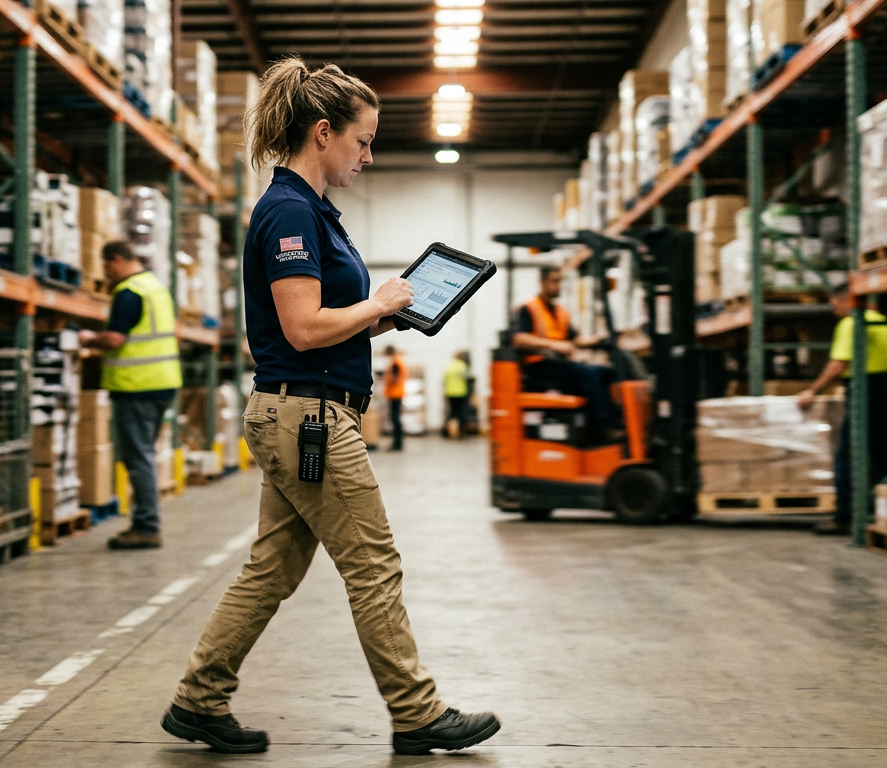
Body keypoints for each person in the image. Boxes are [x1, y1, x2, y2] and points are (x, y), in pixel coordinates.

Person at [162, 57, 500, 757]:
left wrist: (382, 317)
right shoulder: (289, 210)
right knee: (373, 563)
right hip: (307, 418)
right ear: (323, 133)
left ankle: (198, 699)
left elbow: (322, 326)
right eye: (362, 141)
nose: (367, 156)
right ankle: (417, 712)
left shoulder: (312, 211)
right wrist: (376, 303)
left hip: (304, 410)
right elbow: (302, 329)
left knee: (272, 569)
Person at [78, 240, 181, 550]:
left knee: (138, 457)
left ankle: (147, 526)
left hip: (137, 385)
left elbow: (115, 339)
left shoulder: (128, 292)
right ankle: (146, 522)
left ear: (117, 260)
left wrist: (88, 339)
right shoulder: (155, 287)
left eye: (106, 265)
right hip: (162, 382)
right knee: (143, 454)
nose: (106, 273)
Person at [795, 284, 887, 536]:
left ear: (847, 300)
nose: (834, 310)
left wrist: (813, 390)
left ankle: (844, 516)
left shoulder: (851, 323)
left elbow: (838, 364)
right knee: (882, 455)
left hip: (867, 392)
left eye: (835, 304)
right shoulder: (884, 322)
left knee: (846, 456)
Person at [512, 265, 622, 440]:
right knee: (591, 374)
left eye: (560, 281)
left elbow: (576, 339)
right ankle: (605, 427)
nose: (559, 286)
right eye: (555, 281)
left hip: (559, 363)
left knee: (607, 372)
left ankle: (595, 426)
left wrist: (599, 339)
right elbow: (519, 338)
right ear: (543, 282)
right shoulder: (529, 308)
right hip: (538, 365)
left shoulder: (561, 311)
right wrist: (555, 345)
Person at [383, 345, 408, 451]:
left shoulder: (395, 363)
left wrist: (386, 379)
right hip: (396, 393)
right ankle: (397, 442)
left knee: (395, 419)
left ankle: (397, 443)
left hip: (395, 394)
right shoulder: (397, 361)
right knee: (395, 418)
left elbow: (395, 378)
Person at [443, 350, 471, 439]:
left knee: (452, 413)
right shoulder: (463, 366)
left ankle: (451, 432)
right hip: (461, 392)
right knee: (462, 413)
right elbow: (468, 378)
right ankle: (460, 432)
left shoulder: (449, 366)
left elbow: (445, 379)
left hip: (450, 393)